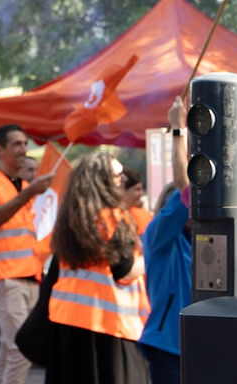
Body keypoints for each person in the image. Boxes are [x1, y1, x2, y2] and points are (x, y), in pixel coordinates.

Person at [46, 152, 150, 384]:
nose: (122, 180)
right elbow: (124, 272)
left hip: (68, 321)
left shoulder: (72, 219)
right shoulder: (113, 216)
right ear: (101, 180)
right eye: (117, 175)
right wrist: (150, 258)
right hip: (107, 325)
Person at [0, 125, 53, 384]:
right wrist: (29, 192)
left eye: (25, 143)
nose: (23, 149)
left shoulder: (23, 185)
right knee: (21, 346)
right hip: (4, 277)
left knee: (10, 347)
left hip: (28, 276)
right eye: (16, 144)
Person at [138, 97, 192, 384]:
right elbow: (185, 184)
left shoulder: (203, 240)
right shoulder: (159, 236)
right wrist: (177, 129)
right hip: (169, 347)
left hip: (203, 342)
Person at [123, 167, 153, 235]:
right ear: (123, 190)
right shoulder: (112, 216)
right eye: (137, 189)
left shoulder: (144, 216)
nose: (141, 194)